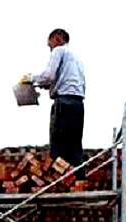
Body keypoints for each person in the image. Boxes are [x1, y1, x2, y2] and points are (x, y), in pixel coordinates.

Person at [20, 28, 86, 178]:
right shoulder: (77, 58)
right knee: (74, 147)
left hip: (64, 103)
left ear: (57, 39)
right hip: (77, 103)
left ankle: (57, 182)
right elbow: (61, 79)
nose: (50, 49)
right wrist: (46, 86)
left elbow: (48, 76)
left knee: (58, 148)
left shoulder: (59, 51)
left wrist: (31, 78)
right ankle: (79, 180)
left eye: (50, 45)